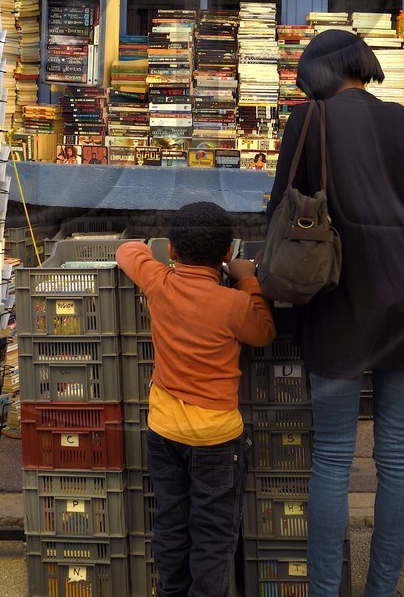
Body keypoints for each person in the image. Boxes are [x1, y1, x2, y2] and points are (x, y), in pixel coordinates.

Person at [266, 28, 404, 597]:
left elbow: (282, 214)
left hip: (338, 302)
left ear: (322, 71)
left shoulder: (308, 124)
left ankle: (326, 591)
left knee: (333, 455)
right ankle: (382, 589)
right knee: (395, 456)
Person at [117, 202, 275, 597]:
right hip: (217, 440)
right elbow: (265, 332)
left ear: (172, 250)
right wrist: (246, 279)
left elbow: (127, 250)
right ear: (226, 254)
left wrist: (156, 259)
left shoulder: (159, 282)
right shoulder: (234, 304)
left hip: (163, 431)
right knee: (213, 536)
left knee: (171, 524)